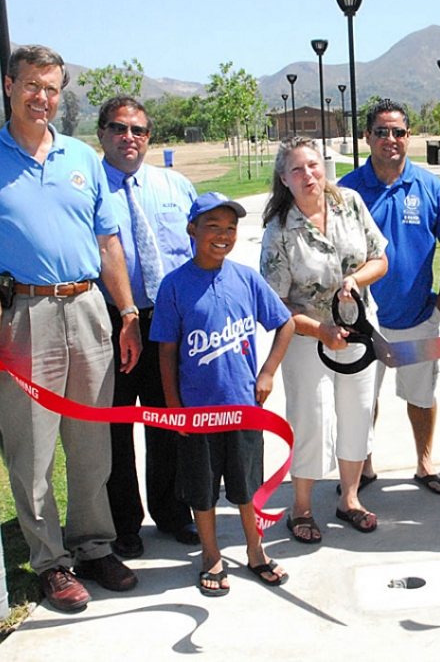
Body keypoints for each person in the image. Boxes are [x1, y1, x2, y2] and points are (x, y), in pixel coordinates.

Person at [0, 45, 140, 612]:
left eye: (52, 88)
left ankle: (94, 545)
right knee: (32, 452)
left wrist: (126, 313)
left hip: (88, 310)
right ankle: (51, 563)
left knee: (91, 445)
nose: (42, 98)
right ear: (10, 86)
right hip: (23, 317)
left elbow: (107, 243)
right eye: (32, 85)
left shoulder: (81, 155)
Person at [152, 192, 295, 596]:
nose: (222, 235)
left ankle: (255, 550)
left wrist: (267, 372)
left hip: (243, 409)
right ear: (192, 229)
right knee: (202, 490)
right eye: (212, 226)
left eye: (230, 227)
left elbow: (284, 324)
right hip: (198, 413)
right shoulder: (175, 285)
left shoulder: (246, 279)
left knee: (247, 486)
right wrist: (174, 407)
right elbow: (166, 350)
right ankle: (211, 554)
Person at [260, 137, 388, 544]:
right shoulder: (278, 230)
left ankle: (349, 499)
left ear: (324, 166)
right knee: (311, 418)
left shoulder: (349, 202)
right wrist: (320, 330)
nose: (308, 175)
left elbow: (379, 258)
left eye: (313, 165)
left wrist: (355, 279)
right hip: (306, 336)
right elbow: (276, 305)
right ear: (284, 178)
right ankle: (301, 507)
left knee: (358, 411)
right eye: (297, 169)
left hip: (359, 331)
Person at [96, 96, 199, 558]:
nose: (129, 138)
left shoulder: (175, 186)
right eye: (118, 128)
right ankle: (124, 523)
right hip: (110, 324)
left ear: (149, 136)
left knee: (169, 419)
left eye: (138, 130)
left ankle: (174, 511)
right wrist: (124, 317)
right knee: (115, 428)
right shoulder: (86, 189)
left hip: (169, 326)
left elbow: (204, 249)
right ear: (101, 134)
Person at [338, 99, 440, 495]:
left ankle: (424, 464)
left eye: (399, 132)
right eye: (382, 132)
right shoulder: (346, 191)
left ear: (409, 137)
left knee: (421, 396)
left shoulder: (430, 187)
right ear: (367, 136)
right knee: (360, 400)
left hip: (418, 317)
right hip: (362, 322)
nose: (391, 139)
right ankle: (364, 467)